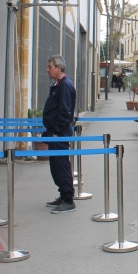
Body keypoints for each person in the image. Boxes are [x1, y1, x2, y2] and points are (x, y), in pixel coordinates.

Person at [43, 54, 77, 214]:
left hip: (59, 134)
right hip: (54, 133)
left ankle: (68, 199)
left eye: (50, 67)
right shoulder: (58, 84)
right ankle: (63, 195)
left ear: (58, 68)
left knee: (62, 165)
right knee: (56, 165)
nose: (47, 70)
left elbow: (65, 111)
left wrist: (56, 131)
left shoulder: (65, 85)